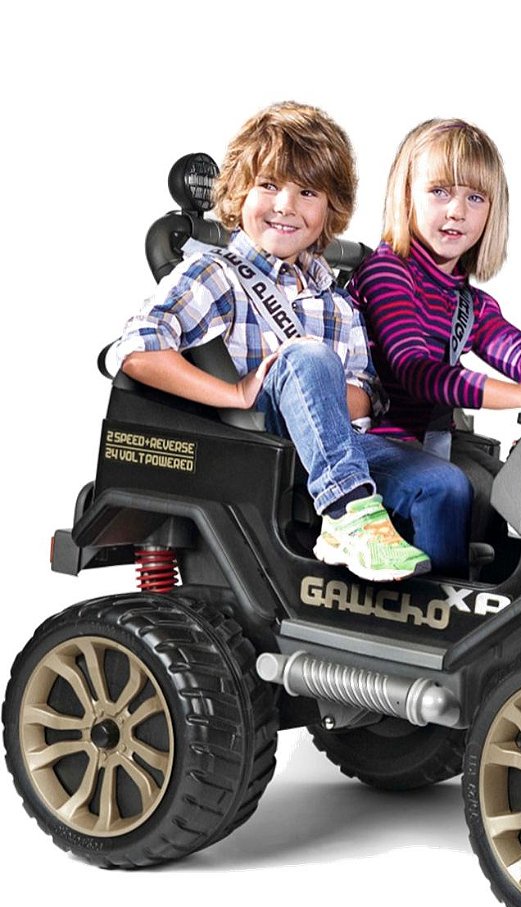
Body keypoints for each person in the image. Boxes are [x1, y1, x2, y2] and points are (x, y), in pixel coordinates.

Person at [110, 102, 472, 580]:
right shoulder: (215, 273)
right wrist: (236, 392)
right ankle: (347, 517)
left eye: (307, 192)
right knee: (308, 356)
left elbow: (366, 391)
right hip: (260, 443)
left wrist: (320, 399)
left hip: (344, 445)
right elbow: (136, 351)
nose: (285, 205)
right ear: (240, 192)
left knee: (446, 485)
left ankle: (438, 606)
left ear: (329, 209)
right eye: (268, 185)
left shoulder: (336, 300)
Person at [348, 118, 521, 550]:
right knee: (455, 489)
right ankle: (438, 589)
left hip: (430, 443)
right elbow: (417, 372)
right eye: (440, 192)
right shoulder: (387, 274)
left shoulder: (468, 303)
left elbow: (517, 351)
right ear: (406, 196)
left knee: (517, 490)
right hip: (370, 446)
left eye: (475, 197)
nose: (457, 211)